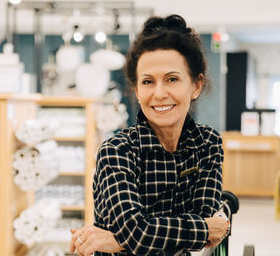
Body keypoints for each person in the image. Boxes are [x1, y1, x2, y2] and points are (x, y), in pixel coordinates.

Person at [70, 14, 229, 256]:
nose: (159, 93)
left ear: (196, 86)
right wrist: (203, 228)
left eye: (172, 79)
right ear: (136, 89)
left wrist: (119, 240)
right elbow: (139, 232)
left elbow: (202, 235)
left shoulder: (207, 143)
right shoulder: (116, 151)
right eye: (147, 82)